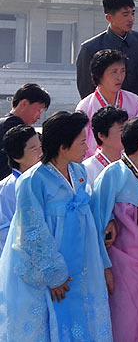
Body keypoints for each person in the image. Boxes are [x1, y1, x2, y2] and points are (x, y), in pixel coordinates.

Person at [0, 111, 112, 341]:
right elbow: (32, 231)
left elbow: (89, 220)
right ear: (63, 146)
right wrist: (54, 275)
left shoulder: (79, 173)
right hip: (49, 272)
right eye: (82, 142)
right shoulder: (33, 181)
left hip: (84, 262)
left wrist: (103, 264)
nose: (86, 147)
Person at [91, 116, 138, 342]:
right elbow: (98, 222)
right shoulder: (112, 175)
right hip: (123, 264)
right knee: (125, 322)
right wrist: (104, 268)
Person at [76, 0, 138, 103]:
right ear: (109, 17)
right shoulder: (90, 48)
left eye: (132, 13)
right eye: (125, 14)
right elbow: (86, 89)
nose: (131, 19)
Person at [76, 48, 138, 155]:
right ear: (99, 74)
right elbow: (79, 141)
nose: (119, 77)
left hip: (130, 163)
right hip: (96, 165)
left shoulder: (134, 101)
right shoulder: (85, 106)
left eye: (123, 71)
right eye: (114, 72)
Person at [0, 125, 42, 250]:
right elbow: (4, 231)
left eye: (41, 147)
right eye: (34, 149)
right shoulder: (6, 189)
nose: (41, 154)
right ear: (17, 156)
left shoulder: (44, 180)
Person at [0, 82, 50, 179]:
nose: (39, 116)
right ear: (24, 104)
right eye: (39, 110)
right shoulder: (13, 125)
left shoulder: (3, 122)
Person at [82, 106, 129, 185]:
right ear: (102, 135)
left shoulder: (131, 163)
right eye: (122, 130)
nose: (127, 133)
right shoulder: (87, 169)